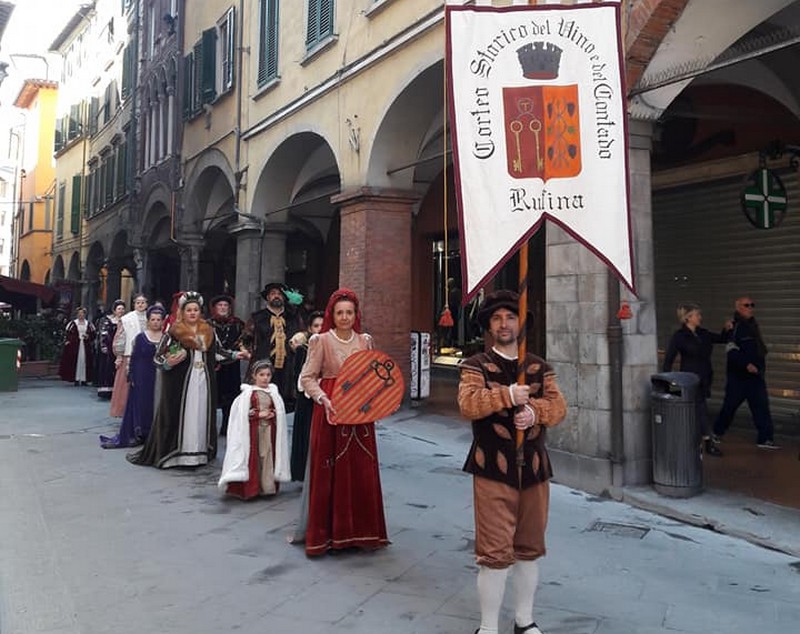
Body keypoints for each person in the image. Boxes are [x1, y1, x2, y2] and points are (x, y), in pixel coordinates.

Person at [457, 289, 567, 634]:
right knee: (494, 553)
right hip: (492, 469)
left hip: (534, 470)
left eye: (510, 317)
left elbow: (559, 408)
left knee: (529, 549)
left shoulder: (538, 367)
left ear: (521, 322)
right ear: (489, 326)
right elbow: (468, 404)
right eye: (497, 318)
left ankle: (524, 620)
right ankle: (488, 627)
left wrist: (534, 412)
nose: (504, 324)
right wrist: (506, 395)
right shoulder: (476, 366)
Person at [298, 288, 389, 556]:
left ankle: (361, 533)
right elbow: (307, 377)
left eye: (349, 312)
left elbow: (375, 377)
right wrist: (323, 397)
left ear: (355, 314)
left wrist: (375, 400)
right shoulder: (320, 341)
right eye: (340, 313)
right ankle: (327, 536)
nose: (345, 317)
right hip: (330, 413)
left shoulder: (365, 341)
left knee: (360, 471)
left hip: (360, 416)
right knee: (329, 473)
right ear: (332, 315)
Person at [128, 292, 249, 469]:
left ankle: (199, 453)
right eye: (189, 310)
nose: (192, 313)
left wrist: (238, 354)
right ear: (183, 312)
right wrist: (168, 362)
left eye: (196, 310)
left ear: (200, 312)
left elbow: (218, 353)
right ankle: (177, 453)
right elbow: (157, 358)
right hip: (180, 384)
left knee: (200, 413)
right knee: (184, 413)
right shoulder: (174, 332)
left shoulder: (208, 331)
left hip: (203, 382)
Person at [713, 296, 779, 449]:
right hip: (738, 378)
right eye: (746, 305)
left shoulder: (753, 325)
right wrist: (746, 364)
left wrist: (759, 367)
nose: (750, 308)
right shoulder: (734, 327)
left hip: (755, 377)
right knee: (729, 407)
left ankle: (765, 439)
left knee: (761, 406)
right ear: (738, 308)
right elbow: (730, 349)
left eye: (751, 305)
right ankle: (716, 432)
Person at [218, 360, 290, 498]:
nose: (265, 378)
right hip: (253, 432)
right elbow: (241, 413)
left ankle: (267, 486)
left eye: (268, 375)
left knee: (267, 457)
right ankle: (252, 488)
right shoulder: (247, 394)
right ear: (254, 376)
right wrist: (258, 414)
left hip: (269, 431)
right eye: (261, 375)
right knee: (253, 457)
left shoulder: (273, 393)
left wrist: (273, 414)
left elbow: (279, 411)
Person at [662, 303, 725, 457]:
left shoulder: (703, 334)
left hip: (704, 377)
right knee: (699, 409)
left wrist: (728, 327)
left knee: (699, 409)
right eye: (697, 315)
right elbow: (669, 359)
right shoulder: (680, 336)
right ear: (688, 318)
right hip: (689, 379)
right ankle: (708, 440)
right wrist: (671, 385)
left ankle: (703, 442)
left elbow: (722, 338)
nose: (700, 318)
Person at [100, 305, 165, 449]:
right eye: (153, 319)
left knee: (157, 403)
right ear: (148, 321)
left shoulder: (167, 338)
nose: (155, 322)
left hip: (160, 376)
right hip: (143, 375)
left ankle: (156, 433)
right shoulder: (141, 338)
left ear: (162, 321)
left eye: (158, 320)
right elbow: (135, 358)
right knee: (142, 403)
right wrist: (132, 375)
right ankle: (140, 432)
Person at [240, 282, 304, 411]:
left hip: (288, 365)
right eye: (273, 294)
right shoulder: (257, 318)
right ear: (267, 297)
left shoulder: (293, 317)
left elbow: (304, 333)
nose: (276, 296)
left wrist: (300, 337)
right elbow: (245, 338)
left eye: (279, 294)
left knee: (286, 402)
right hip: (264, 364)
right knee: (263, 401)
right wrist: (246, 352)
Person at [290, 309, 324, 481]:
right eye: (316, 326)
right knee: (306, 434)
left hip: (326, 396)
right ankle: (304, 471)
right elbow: (298, 374)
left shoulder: (330, 346)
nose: (319, 329)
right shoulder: (303, 349)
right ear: (310, 329)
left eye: (323, 325)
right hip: (307, 397)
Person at [208, 294, 245, 436]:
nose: (223, 308)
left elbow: (244, 341)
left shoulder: (237, 324)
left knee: (231, 397)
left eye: (225, 306)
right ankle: (210, 427)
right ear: (215, 308)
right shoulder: (207, 324)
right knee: (213, 395)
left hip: (232, 365)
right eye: (220, 305)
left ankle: (227, 425)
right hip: (214, 365)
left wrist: (242, 350)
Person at [109, 294, 148, 417]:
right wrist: (119, 355)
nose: (140, 305)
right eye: (138, 302)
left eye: (143, 302)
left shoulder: (152, 317)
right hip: (129, 355)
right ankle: (125, 412)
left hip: (147, 357)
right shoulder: (127, 319)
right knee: (126, 386)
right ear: (134, 304)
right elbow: (121, 337)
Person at [95, 300, 125, 399]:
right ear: (114, 310)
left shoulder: (126, 321)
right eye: (119, 309)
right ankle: (107, 391)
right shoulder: (107, 320)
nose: (121, 311)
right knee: (108, 369)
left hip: (121, 348)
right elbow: (103, 335)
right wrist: (104, 347)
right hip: (109, 349)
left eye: (122, 309)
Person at [59, 307, 96, 386]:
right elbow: (68, 334)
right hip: (75, 346)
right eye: (79, 313)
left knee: (84, 362)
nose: (81, 315)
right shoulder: (72, 324)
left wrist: (88, 336)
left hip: (85, 346)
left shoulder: (88, 324)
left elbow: (93, 334)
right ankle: (76, 378)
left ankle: (84, 379)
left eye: (82, 313)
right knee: (76, 361)